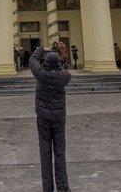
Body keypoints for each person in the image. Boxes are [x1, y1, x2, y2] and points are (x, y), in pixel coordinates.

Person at [29, 46, 72, 192]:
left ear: (45, 63)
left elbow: (32, 59)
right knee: (60, 153)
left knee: (45, 154)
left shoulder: (40, 74)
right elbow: (63, 69)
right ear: (59, 63)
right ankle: (63, 187)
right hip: (59, 118)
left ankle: (47, 188)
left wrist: (42, 49)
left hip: (43, 118)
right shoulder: (64, 76)